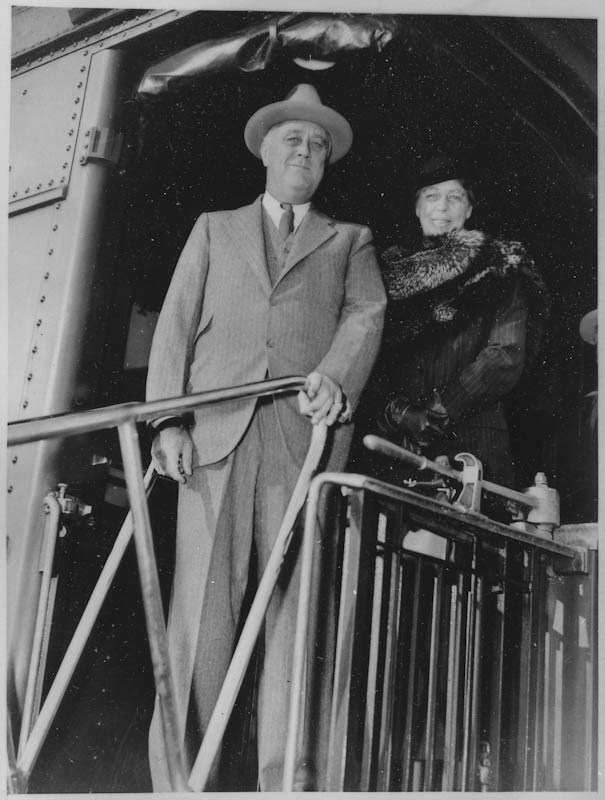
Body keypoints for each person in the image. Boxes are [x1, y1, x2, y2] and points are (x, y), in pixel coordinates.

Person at [145, 83, 386, 791]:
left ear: (325, 164)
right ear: (265, 153)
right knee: (199, 618)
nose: (305, 151)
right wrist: (167, 420)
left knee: (292, 612)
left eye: (317, 146)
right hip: (212, 438)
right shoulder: (213, 228)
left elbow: (364, 316)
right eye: (292, 140)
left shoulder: (349, 240)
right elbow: (175, 327)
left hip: (300, 439)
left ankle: (286, 782)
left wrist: (336, 378)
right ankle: (181, 782)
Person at [366, 153, 548, 489]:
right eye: (431, 196)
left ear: (469, 209)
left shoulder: (501, 269)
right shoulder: (382, 276)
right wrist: (400, 412)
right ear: (417, 207)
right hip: (396, 445)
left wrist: (438, 412)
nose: (442, 207)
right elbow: (365, 359)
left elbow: (505, 355)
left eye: (455, 197)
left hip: (476, 450)